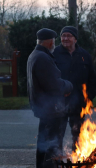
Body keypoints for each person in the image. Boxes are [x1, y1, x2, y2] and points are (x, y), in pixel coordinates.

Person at [27, 28, 73, 168]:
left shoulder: (35, 55)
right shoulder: (42, 58)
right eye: (54, 40)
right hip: (51, 110)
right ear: (49, 41)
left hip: (45, 108)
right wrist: (69, 85)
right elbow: (54, 85)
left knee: (44, 144)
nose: (55, 43)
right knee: (51, 146)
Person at [53, 26, 96, 152]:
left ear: (75, 39)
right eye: (63, 36)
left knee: (77, 134)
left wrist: (89, 96)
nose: (65, 38)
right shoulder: (54, 54)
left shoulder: (84, 55)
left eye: (69, 36)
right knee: (57, 134)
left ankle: (77, 157)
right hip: (59, 102)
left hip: (79, 102)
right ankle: (57, 159)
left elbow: (92, 78)